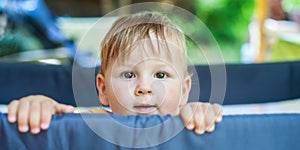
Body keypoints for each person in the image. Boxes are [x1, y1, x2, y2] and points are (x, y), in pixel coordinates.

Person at [7, 11, 222, 135]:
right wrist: (41, 107)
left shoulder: (185, 124)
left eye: (161, 75)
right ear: (103, 89)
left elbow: (209, 126)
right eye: (129, 75)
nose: (144, 88)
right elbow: (61, 119)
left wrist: (203, 116)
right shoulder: (88, 125)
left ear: (184, 90)